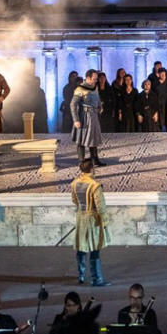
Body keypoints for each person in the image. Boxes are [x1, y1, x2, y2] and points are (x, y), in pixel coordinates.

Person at [70, 158, 107, 287]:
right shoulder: (95, 185)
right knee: (94, 249)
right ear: (92, 169)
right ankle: (96, 279)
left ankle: (81, 276)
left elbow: (74, 200)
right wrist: (104, 221)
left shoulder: (74, 183)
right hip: (92, 220)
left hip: (81, 218)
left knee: (81, 248)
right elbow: (100, 206)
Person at [70, 70, 105, 167]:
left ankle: (95, 160)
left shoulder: (95, 87)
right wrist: (76, 120)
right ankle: (81, 161)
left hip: (93, 116)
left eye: (96, 79)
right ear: (88, 78)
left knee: (93, 138)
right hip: (83, 116)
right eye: (94, 79)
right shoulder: (80, 89)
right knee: (81, 139)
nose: (96, 81)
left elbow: (97, 97)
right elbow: (73, 104)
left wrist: (100, 106)